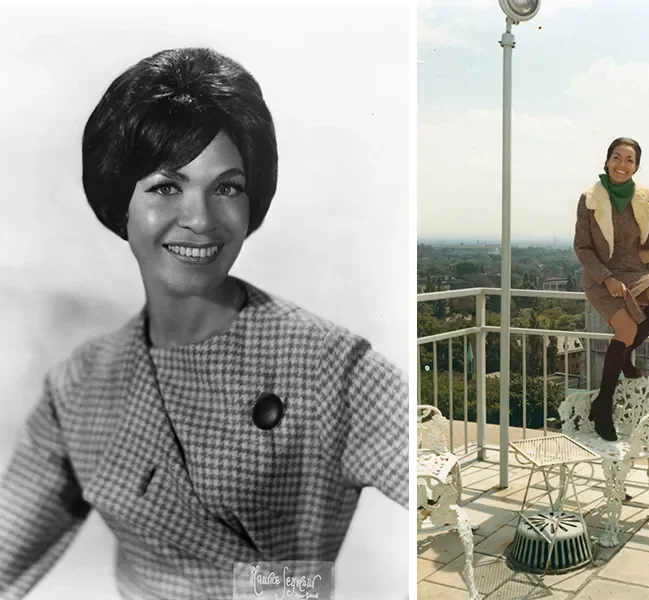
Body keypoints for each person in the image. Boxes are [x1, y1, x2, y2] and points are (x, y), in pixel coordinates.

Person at [0, 47, 408, 600]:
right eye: (167, 186)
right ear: (121, 200)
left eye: (227, 187)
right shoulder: (79, 385)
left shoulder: (333, 366)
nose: (200, 219)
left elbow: (428, 475)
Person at [573, 138, 649, 441]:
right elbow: (583, 248)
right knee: (625, 326)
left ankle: (624, 359)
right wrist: (608, 278)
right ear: (607, 161)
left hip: (638, 272)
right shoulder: (589, 200)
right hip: (603, 276)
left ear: (636, 166)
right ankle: (604, 404)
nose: (622, 165)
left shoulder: (646, 199)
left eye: (629, 160)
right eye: (617, 157)